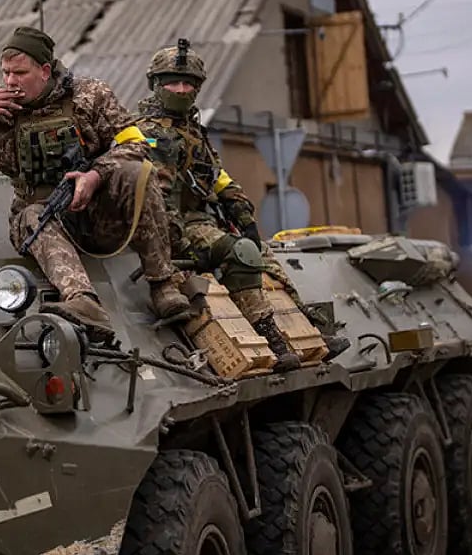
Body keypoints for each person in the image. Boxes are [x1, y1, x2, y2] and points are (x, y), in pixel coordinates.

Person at [0, 26, 189, 339]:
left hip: (95, 214)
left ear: (45, 70)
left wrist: (95, 175)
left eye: (20, 72)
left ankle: (163, 285)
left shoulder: (91, 95)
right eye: (5, 73)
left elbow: (137, 145)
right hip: (40, 220)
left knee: (139, 173)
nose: (10, 81)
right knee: (32, 215)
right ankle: (83, 301)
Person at [134, 42, 349, 370]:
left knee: (262, 253)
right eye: (171, 82)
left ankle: (311, 329)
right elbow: (161, 198)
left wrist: (241, 211)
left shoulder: (192, 130)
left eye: (187, 83)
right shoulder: (147, 133)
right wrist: (174, 243)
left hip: (202, 220)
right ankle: (273, 340)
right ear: (155, 84)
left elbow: (216, 176)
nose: (180, 89)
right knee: (241, 252)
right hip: (173, 227)